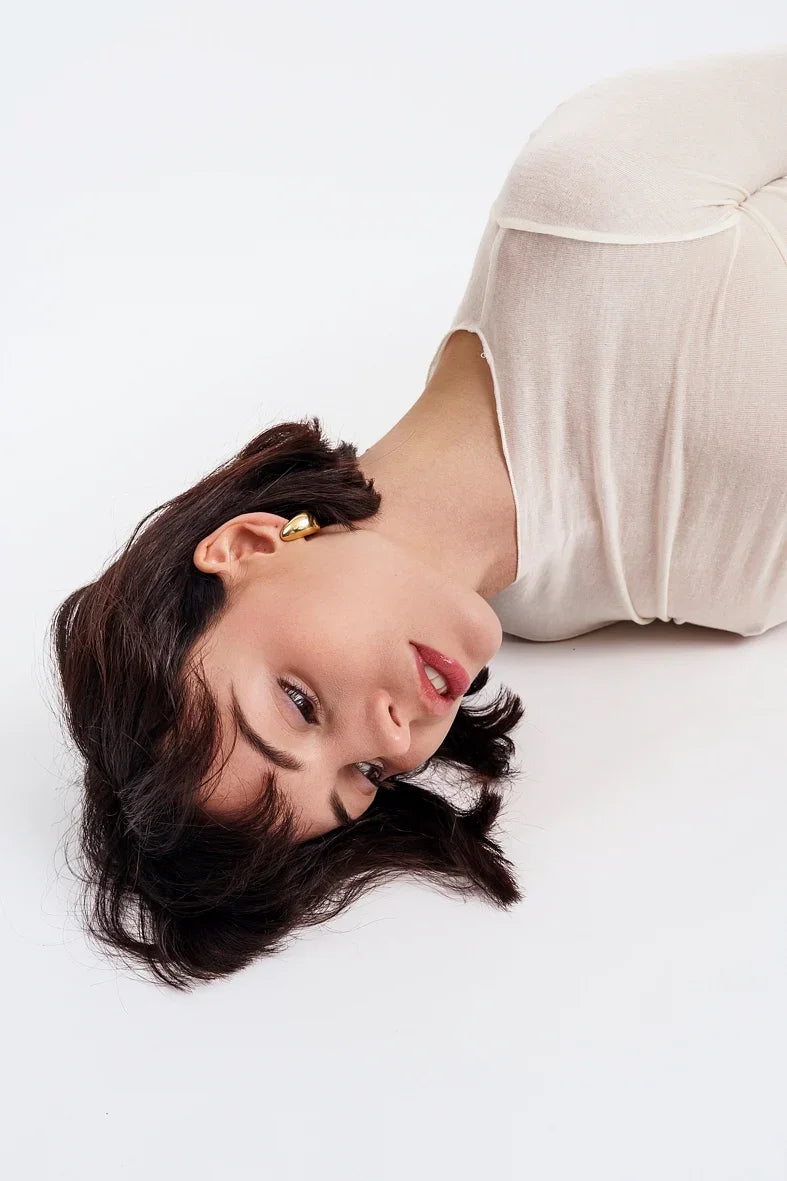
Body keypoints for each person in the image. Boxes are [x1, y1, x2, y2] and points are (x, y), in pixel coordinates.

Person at [49, 45, 787, 989]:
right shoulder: (551, 610)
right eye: (363, 780)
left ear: (248, 543)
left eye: (300, 704)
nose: (396, 738)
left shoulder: (599, 211)